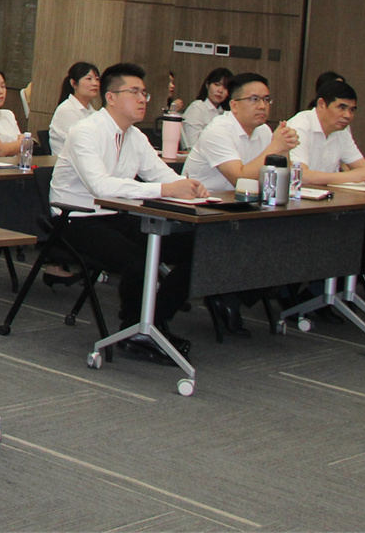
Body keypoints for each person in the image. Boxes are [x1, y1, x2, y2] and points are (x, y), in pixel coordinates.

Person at [50, 62, 205, 365]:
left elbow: (161, 175)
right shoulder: (86, 131)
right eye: (134, 92)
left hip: (117, 215)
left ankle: (152, 322)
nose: (142, 99)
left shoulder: (134, 136)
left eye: (144, 93)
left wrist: (190, 188)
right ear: (110, 97)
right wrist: (167, 189)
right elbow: (101, 186)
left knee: (195, 247)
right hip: (76, 218)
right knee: (141, 259)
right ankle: (136, 332)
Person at [286, 77, 365, 272]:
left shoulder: (342, 131)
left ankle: (332, 284)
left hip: (326, 206)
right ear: (322, 104)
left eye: (352, 110)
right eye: (342, 107)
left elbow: (364, 171)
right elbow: (301, 176)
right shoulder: (298, 126)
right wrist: (350, 176)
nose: (348, 115)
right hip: (295, 208)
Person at [182, 73, 299, 194]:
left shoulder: (263, 130)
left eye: (266, 99)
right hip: (203, 200)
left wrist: (284, 147)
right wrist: (275, 146)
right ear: (234, 105)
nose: (262, 106)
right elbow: (239, 181)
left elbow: (280, 182)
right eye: (254, 99)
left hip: (241, 201)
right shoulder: (218, 131)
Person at [180, 67, 233, 150]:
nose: (220, 90)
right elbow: (192, 144)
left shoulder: (225, 113)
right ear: (207, 85)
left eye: (225, 87)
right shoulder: (198, 107)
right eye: (217, 84)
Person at [50, 63, 100, 143]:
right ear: (73, 83)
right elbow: (80, 143)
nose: (95, 83)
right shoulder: (66, 110)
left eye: (97, 79)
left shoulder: (93, 112)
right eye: (89, 79)